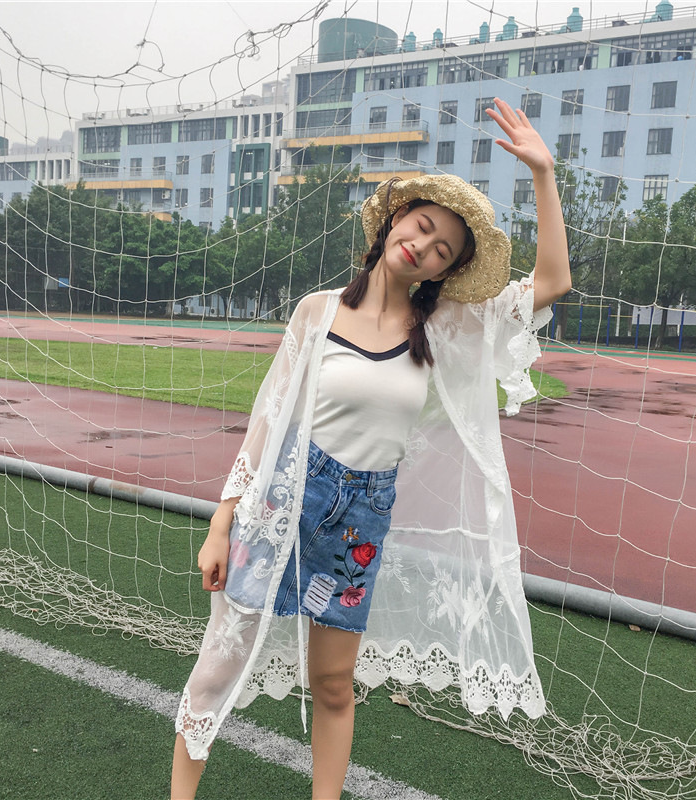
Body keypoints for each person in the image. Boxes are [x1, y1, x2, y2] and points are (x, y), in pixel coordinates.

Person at [171, 98, 570, 800]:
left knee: (333, 683)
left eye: (442, 250)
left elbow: (552, 284)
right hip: (284, 498)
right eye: (422, 227)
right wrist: (220, 522)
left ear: (445, 271)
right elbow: (268, 420)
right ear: (395, 221)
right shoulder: (317, 312)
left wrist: (543, 172)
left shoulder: (445, 328)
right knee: (216, 672)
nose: (424, 246)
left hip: (359, 523)